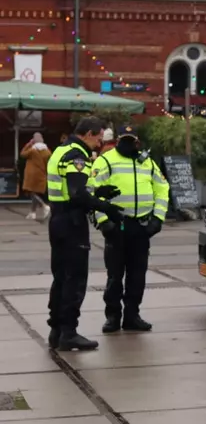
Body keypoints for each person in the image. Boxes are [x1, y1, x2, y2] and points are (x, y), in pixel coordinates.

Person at [46, 117, 124, 351]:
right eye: (99, 137)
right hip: (71, 223)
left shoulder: (62, 150)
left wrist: (99, 191)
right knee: (75, 278)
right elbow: (77, 195)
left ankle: (57, 330)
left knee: (61, 277)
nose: (100, 142)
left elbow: (70, 187)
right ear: (89, 133)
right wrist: (105, 206)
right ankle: (69, 332)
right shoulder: (77, 155)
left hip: (58, 220)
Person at [90, 125, 170, 333]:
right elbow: (92, 190)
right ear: (117, 140)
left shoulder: (147, 162)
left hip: (141, 227)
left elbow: (162, 188)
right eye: (124, 139)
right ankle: (113, 317)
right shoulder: (105, 160)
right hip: (116, 225)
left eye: (131, 139)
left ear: (137, 141)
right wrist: (102, 220)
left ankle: (132, 316)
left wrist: (158, 218)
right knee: (115, 275)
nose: (128, 143)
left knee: (137, 275)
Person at [20, 132, 51, 220]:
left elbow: (22, 154)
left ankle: (44, 206)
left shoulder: (32, 150)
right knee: (35, 193)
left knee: (31, 192)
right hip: (42, 174)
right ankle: (32, 213)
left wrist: (28, 144)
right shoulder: (47, 151)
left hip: (31, 174)